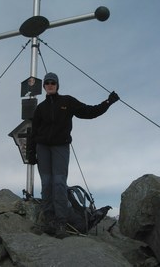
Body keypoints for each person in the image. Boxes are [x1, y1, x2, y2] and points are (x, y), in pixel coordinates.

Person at [28, 72, 119, 238]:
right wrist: (31, 153)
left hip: (60, 147)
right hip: (43, 149)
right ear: (44, 86)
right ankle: (50, 221)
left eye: (53, 82)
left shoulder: (67, 101)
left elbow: (89, 112)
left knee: (59, 182)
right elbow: (34, 133)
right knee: (47, 183)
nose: (50, 85)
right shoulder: (40, 108)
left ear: (57, 85)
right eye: (47, 82)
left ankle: (61, 222)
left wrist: (108, 102)